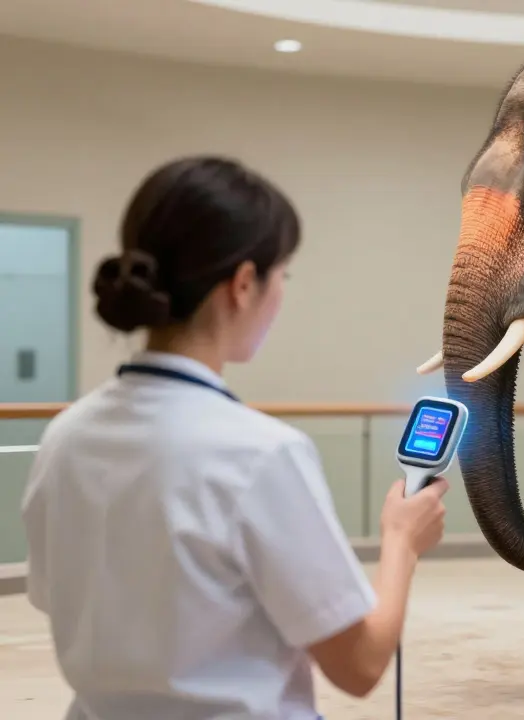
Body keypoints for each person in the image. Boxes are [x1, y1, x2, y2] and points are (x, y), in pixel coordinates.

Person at [20, 155, 449, 719]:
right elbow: (361, 664)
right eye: (282, 275)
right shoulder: (261, 455)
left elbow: (59, 601)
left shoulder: (64, 436)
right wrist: (401, 541)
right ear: (243, 284)